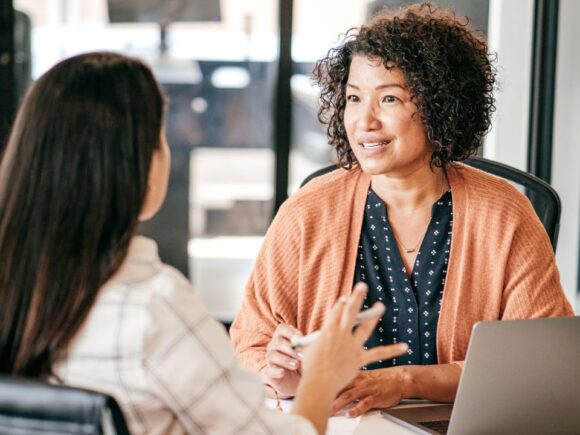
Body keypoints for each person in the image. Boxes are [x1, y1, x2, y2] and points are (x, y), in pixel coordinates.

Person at [0, 52, 408, 434]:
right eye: (161, 139)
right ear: (136, 165)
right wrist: (322, 377)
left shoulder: (18, 292)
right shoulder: (153, 308)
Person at [230, 2, 574, 417]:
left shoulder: (505, 214)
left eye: (388, 98)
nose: (364, 121)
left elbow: (536, 367)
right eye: (354, 98)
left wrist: (405, 381)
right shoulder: (307, 212)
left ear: (438, 104)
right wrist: (281, 376)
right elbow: (251, 344)